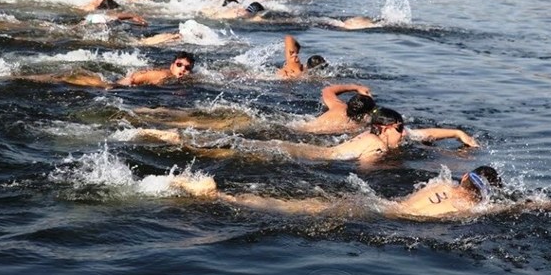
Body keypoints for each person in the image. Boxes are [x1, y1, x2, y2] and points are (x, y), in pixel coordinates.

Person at [168, 165, 551, 221]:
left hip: (379, 204)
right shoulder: (478, 207)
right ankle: (218, 198)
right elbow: (542, 203)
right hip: (384, 218)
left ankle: (221, 195)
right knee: (298, 214)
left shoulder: (442, 181)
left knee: (295, 206)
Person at [134, 107, 478, 164]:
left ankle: (168, 136)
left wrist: (459, 134)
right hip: (302, 155)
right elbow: (366, 171)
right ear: (387, 129)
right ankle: (168, 137)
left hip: (299, 148)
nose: (406, 133)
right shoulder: (375, 145)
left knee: (232, 147)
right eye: (401, 129)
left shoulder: (392, 136)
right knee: (229, 149)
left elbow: (428, 132)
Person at [22, 51, 195, 88]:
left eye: (187, 68)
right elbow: (135, 78)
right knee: (65, 78)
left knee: (66, 77)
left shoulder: (178, 79)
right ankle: (26, 77)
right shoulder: (163, 74)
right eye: (179, 65)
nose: (182, 69)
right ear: (172, 65)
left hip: (118, 84)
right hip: (113, 86)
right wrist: (115, 87)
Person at [294, 83, 376, 134]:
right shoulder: (357, 127)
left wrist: (356, 88)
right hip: (305, 135)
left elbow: (327, 90)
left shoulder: (339, 107)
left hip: (297, 127)